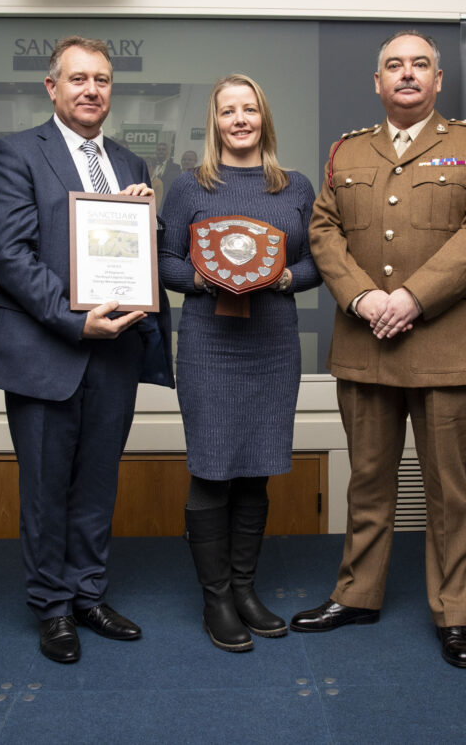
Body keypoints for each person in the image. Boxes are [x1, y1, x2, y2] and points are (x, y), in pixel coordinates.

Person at [292, 31, 466, 669]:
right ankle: (357, 595)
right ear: (377, 83)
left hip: (447, 343)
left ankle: (454, 612)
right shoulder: (349, 151)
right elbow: (323, 229)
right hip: (367, 344)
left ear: (439, 80)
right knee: (367, 481)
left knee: (449, 490)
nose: (407, 74)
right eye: (394, 66)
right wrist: (362, 299)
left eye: (419, 65)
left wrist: (411, 297)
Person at [0, 36, 174, 665]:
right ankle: (51, 607)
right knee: (44, 489)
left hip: (114, 353)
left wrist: (147, 221)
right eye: (79, 78)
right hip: (45, 351)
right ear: (52, 88)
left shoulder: (131, 166)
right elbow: (10, 254)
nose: (92, 90)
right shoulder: (13, 154)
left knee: (96, 484)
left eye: (103, 80)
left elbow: (133, 255)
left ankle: (88, 593)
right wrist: (72, 319)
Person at [159, 74, 321, 652]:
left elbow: (317, 266)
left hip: (273, 344)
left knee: (255, 469)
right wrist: (204, 280)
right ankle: (216, 599)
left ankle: (246, 591)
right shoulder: (189, 187)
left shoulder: (295, 187)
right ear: (215, 123)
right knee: (212, 468)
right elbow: (165, 262)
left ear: (263, 118)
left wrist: (282, 278)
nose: (240, 120)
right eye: (229, 111)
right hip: (210, 344)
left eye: (249, 109)